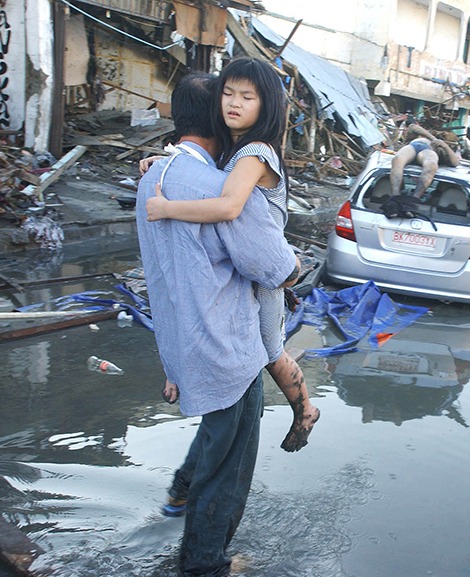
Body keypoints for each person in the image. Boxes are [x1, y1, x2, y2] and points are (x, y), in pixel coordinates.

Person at [136, 71, 301, 577]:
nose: (235, 106)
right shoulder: (221, 189)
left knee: (214, 444)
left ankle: (181, 502)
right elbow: (275, 268)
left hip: (182, 345)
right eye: (228, 97)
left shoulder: (151, 177)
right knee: (227, 470)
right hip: (230, 351)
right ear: (218, 116)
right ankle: (205, 564)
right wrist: (292, 268)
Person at [144, 58, 320, 456]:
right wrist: (165, 162)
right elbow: (206, 174)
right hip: (249, 269)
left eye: (247, 96)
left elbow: (227, 206)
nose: (234, 103)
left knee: (270, 351)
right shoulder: (235, 152)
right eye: (227, 94)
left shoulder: (254, 152)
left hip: (266, 272)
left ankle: (306, 408)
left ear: (266, 106)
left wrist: (166, 207)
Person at [390, 123, 460, 198]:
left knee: (431, 164)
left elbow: (455, 163)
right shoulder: (417, 138)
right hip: (412, 148)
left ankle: (414, 198)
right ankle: (395, 195)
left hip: (426, 153)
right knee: (397, 159)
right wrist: (433, 138)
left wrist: (445, 146)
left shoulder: (442, 152)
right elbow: (412, 127)